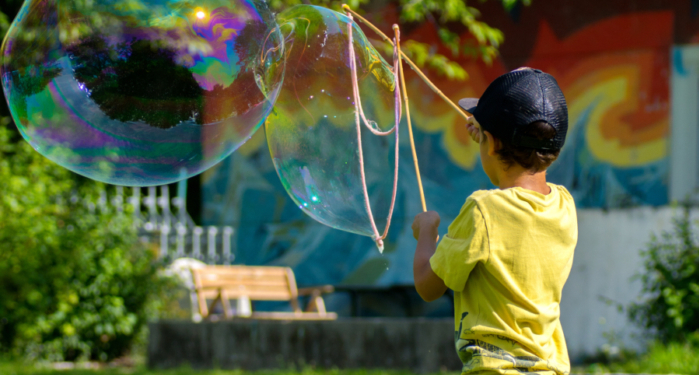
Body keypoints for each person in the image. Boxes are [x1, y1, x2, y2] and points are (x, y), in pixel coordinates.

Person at [411, 68, 578, 375]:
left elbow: (427, 285)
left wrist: (427, 231)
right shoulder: (564, 204)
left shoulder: (482, 209)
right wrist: (491, 139)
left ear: (490, 143)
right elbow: (517, 185)